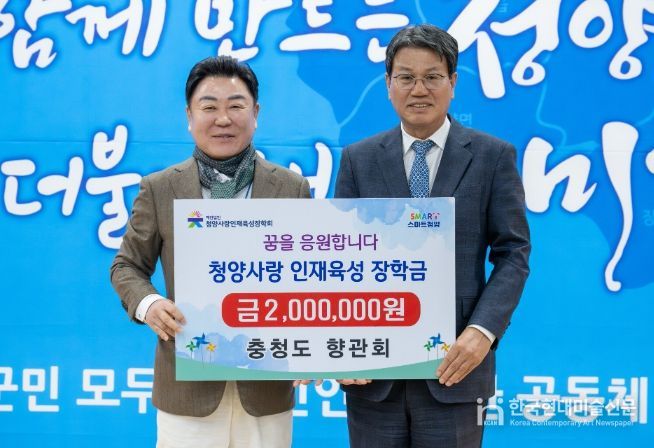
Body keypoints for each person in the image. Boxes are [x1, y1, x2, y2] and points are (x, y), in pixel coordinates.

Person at [335, 24, 531, 447]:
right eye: (406, 77)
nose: (419, 89)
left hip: (456, 367)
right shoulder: (358, 159)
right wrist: (342, 345)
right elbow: (340, 260)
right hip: (373, 372)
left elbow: (513, 253)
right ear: (388, 84)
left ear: (453, 83)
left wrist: (483, 331)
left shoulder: (493, 156)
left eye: (432, 77)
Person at [110, 56, 311, 448]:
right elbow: (127, 266)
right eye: (209, 107)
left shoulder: (291, 188)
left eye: (236, 106)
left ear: (256, 113)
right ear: (189, 115)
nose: (223, 119)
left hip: (267, 385)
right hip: (187, 387)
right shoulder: (160, 188)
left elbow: (311, 276)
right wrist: (149, 304)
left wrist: (312, 344)